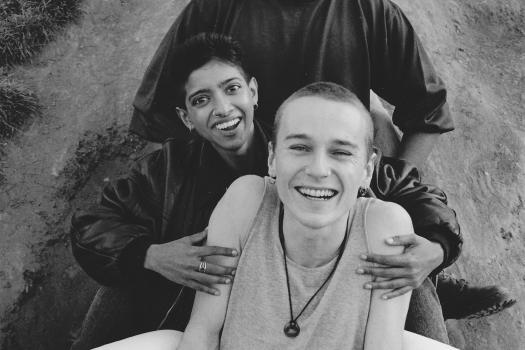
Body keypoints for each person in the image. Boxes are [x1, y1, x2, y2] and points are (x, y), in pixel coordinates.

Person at [127, 0, 515, 320]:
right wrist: (180, 212)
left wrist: (392, 188)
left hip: (340, 176)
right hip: (246, 175)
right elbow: (160, 112)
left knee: (394, 247)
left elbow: (427, 110)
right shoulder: (215, 9)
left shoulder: (369, 10)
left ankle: (430, 289)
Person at [70, 34, 461, 349]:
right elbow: (94, 224)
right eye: (201, 100)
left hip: (332, 295)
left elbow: (411, 190)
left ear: (253, 92)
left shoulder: (307, 147)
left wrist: (439, 246)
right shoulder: (168, 170)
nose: (222, 108)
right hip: (208, 297)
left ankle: (446, 301)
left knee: (409, 269)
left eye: (231, 89)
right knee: (121, 278)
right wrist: (152, 256)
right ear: (186, 118)